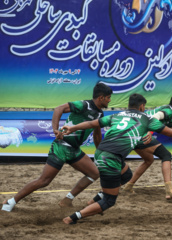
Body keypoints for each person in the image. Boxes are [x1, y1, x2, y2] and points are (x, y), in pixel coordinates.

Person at [62, 93, 172, 224]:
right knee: (109, 201)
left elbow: (92, 123)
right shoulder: (146, 118)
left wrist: (72, 128)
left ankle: (94, 202)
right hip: (111, 158)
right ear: (142, 106)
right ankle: (72, 218)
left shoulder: (117, 115)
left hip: (101, 152)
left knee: (126, 175)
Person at [2, 83, 113, 212]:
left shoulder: (100, 114)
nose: (110, 100)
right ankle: (10, 202)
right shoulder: (83, 105)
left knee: (94, 173)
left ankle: (67, 200)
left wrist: (100, 152)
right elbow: (58, 109)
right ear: (101, 97)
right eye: (108, 97)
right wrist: (55, 129)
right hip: (61, 147)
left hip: (74, 150)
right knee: (44, 181)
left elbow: (97, 135)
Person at [123, 91, 172, 199]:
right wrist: (149, 132)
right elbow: (156, 117)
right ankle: (169, 190)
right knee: (166, 155)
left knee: (149, 160)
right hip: (141, 133)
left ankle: (128, 186)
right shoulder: (168, 111)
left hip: (133, 133)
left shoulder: (168, 112)